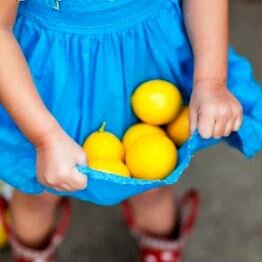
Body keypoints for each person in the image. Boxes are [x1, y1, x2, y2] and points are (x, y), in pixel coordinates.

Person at [0, 0, 261, 261]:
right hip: (49, 87)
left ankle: (160, 248)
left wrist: (211, 82)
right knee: (37, 194)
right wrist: (44, 136)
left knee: (151, 181)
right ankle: (31, 252)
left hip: (143, 62)